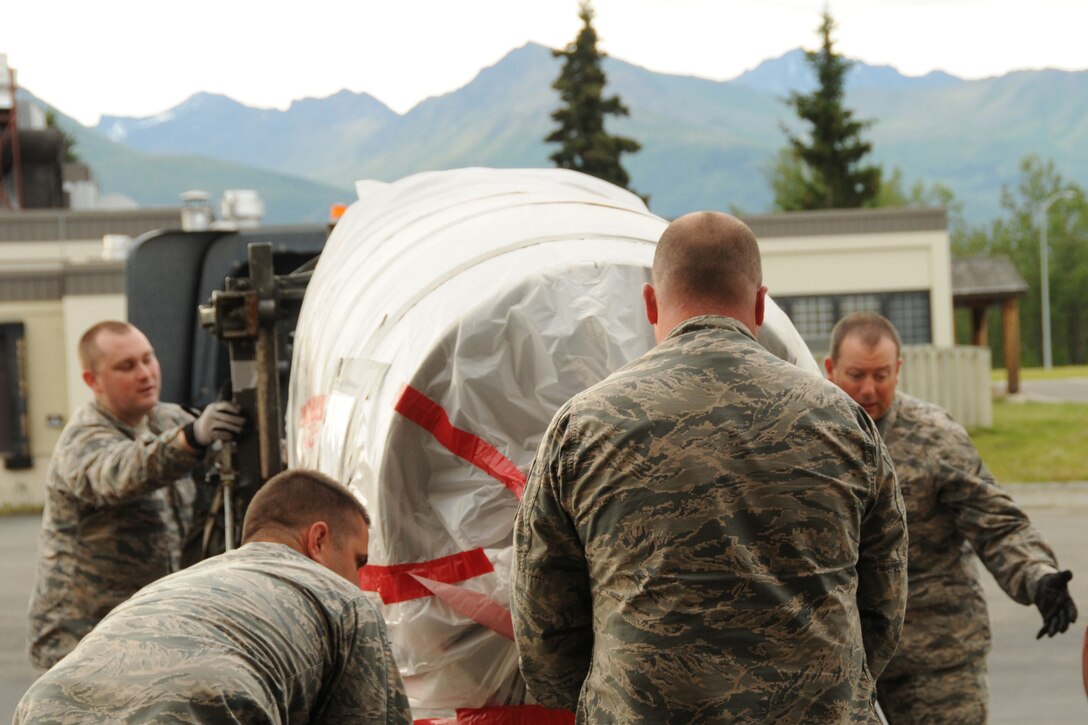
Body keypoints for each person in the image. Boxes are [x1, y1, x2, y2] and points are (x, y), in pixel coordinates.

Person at [511, 211, 908, 722]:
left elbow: (543, 623)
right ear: (761, 304)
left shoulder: (583, 426)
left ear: (650, 303)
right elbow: (883, 603)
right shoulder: (842, 421)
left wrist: (608, 701)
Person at [824, 311, 1078, 723]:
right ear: (830, 368)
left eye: (882, 375)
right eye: (856, 375)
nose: (869, 389)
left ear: (899, 370)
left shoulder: (935, 436)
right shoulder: (811, 439)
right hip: (845, 663)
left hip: (935, 655)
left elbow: (996, 522)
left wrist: (1037, 574)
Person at [14, 468, 412, 724]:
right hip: (200, 705)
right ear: (319, 539)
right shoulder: (342, 599)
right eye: (358, 561)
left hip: (45, 704)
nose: (359, 580)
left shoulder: (180, 583)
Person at [26, 320, 245, 669]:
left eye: (148, 359)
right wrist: (192, 438)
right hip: (82, 641)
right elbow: (123, 471)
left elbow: (224, 456)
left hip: (142, 630)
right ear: (92, 381)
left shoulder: (166, 419)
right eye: (126, 366)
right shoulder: (82, 440)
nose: (145, 373)